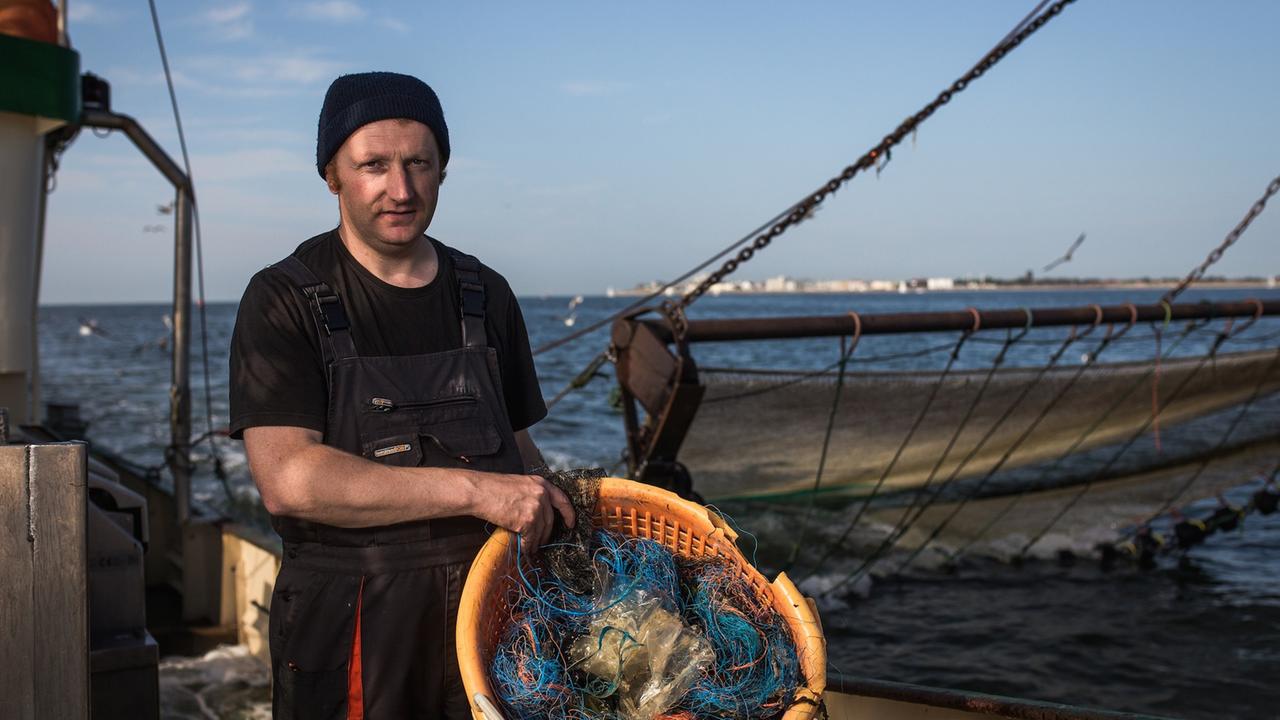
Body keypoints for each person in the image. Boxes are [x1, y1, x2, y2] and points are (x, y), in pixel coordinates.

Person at [228, 71, 576, 720]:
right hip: (355, 617)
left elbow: (519, 447)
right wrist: (478, 491)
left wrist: (557, 508)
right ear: (331, 173)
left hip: (492, 613)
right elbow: (290, 479)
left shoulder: (487, 294)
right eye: (373, 165)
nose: (401, 189)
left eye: (420, 162)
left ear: (444, 168)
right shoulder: (282, 300)